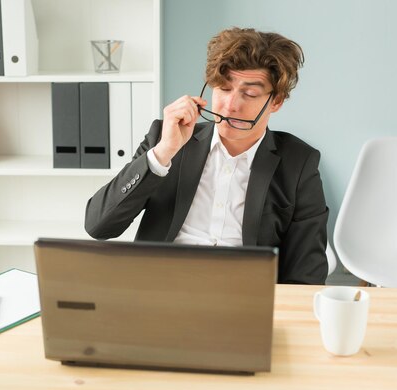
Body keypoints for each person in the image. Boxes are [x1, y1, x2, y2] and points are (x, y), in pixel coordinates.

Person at [85, 27, 328, 285]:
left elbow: (306, 275)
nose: (230, 105)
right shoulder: (166, 139)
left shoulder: (299, 162)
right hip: (161, 289)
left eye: (250, 93)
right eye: (223, 88)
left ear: (276, 101)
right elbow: (98, 226)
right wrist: (163, 153)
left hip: (242, 297)